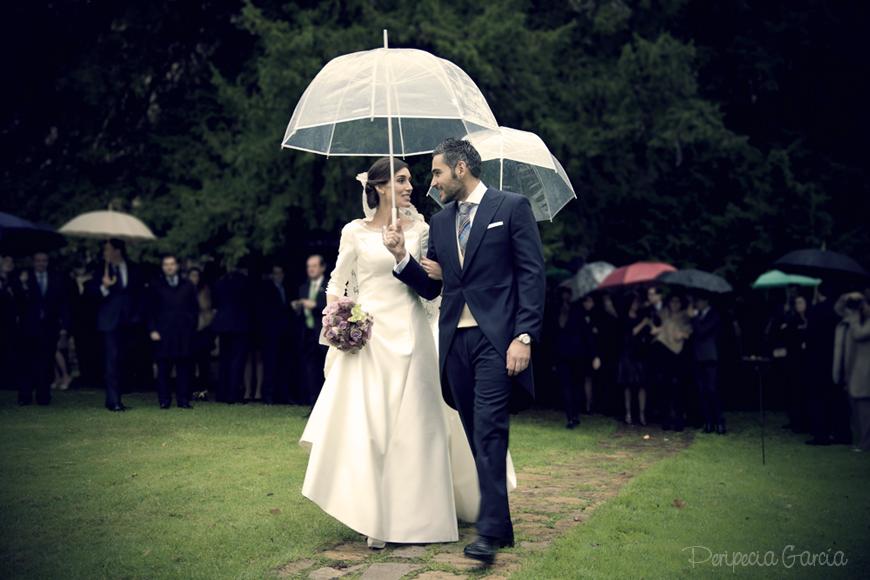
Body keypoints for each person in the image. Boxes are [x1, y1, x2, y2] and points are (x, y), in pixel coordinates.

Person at [301, 157, 487, 549]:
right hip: (369, 340)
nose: (409, 187)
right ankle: (374, 516)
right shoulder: (354, 232)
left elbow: (432, 289)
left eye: (409, 180)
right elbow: (336, 284)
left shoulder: (422, 230)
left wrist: (404, 254)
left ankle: (419, 517)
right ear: (380, 186)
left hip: (413, 335)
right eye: (401, 180)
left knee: (416, 428)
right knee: (371, 429)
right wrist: (338, 320)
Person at [387, 138, 546, 564]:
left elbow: (532, 275)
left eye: (437, 172)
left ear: (461, 169)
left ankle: (488, 534)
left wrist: (524, 336)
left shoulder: (510, 207)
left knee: (490, 430)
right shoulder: (441, 223)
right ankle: (502, 525)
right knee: (478, 435)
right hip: (454, 344)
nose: (433, 182)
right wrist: (402, 259)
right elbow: (433, 288)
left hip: (497, 341)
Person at [90, 239, 144, 411]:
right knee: (111, 360)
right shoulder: (101, 270)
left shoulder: (134, 268)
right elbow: (91, 293)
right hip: (109, 322)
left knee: (124, 359)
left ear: (117, 251)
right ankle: (114, 401)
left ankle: (118, 395)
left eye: (107, 249)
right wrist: (104, 287)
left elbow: (139, 294)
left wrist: (137, 315)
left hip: (130, 321)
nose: (105, 253)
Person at [18, 252, 70, 405]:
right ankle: (25, 396)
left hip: (49, 327)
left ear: (47, 262)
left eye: (44, 261)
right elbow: (19, 302)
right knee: (27, 362)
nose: (41, 263)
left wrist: (64, 326)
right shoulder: (25, 278)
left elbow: (63, 303)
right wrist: (23, 285)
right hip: (28, 327)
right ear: (33, 262)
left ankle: (43, 396)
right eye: (38, 261)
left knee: (46, 362)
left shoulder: (56, 278)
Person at [148, 254, 199, 409]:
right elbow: (149, 310)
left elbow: (194, 308)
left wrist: (191, 326)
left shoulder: (188, 285)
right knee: (164, 368)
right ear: (163, 267)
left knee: (183, 368)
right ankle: (164, 400)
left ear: (177, 266)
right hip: (163, 333)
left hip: (183, 333)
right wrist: (152, 329)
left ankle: (183, 400)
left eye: (172, 264)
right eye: (166, 264)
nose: (169, 267)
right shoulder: (156, 285)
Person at [546, 287, 598, 428]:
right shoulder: (560, 311)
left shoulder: (577, 311)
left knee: (575, 386)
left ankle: (574, 415)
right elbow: (555, 335)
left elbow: (587, 335)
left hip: (575, 355)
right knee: (568, 386)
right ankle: (571, 416)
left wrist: (593, 354)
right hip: (565, 355)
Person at [211, 261, 254, 404]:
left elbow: (216, 303)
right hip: (240, 324)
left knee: (225, 359)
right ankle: (233, 394)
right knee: (237, 360)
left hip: (223, 324)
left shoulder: (220, 282)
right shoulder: (244, 281)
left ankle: (222, 393)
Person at [833, 293, 870, 451]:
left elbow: (859, 334)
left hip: (865, 372)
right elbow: (838, 309)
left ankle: (865, 443)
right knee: (854, 409)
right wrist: (846, 298)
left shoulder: (863, 322)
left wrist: (855, 315)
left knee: (864, 410)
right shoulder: (854, 318)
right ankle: (859, 441)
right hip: (851, 369)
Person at [650, 293, 692, 431]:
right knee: (665, 387)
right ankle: (666, 419)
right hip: (664, 354)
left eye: (677, 301)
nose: (675, 304)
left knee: (679, 387)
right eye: (672, 301)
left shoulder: (685, 316)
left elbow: (688, 332)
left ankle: (679, 419)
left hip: (679, 356)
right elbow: (655, 327)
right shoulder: (663, 314)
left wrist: (682, 334)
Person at [292, 255, 329, 405]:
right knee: (310, 370)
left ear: (322, 267)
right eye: (309, 266)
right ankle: (313, 404)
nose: (311, 269)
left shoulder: (329, 286)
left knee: (325, 369)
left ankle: (326, 405)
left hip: (324, 334)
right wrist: (298, 307)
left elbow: (333, 308)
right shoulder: (303, 287)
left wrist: (315, 305)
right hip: (307, 334)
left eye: (314, 266)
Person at [255, 264, 293, 404]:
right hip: (270, 332)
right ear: (272, 275)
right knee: (270, 364)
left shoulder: (285, 288)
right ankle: (268, 396)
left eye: (280, 273)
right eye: (276, 273)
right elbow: (266, 310)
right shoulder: (266, 289)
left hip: (284, 332)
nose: (278, 276)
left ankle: (282, 395)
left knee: (284, 363)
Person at [689, 294, 725, 434]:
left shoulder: (714, 315)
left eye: (698, 301)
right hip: (698, 357)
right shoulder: (697, 316)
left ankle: (719, 422)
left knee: (712, 389)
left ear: (705, 301)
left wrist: (694, 317)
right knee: (702, 390)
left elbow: (702, 331)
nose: (696, 303)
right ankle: (708, 422)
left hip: (710, 357)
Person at [618, 293, 649, 425]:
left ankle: (642, 414)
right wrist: (643, 323)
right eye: (634, 301)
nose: (636, 304)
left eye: (638, 301)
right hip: (628, 354)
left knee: (642, 385)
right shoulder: (624, 317)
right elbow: (629, 333)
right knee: (628, 385)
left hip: (640, 353)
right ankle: (628, 413)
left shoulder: (642, 315)